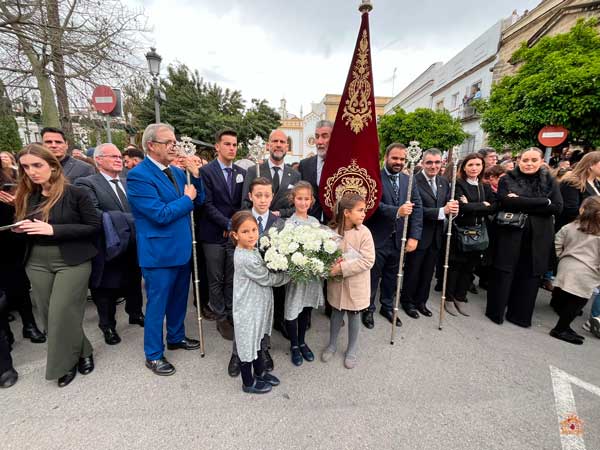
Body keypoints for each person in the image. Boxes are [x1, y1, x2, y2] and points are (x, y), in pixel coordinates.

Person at [12, 144, 100, 387]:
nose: (31, 172)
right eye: (26, 167)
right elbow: (23, 232)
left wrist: (54, 230)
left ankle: (63, 365)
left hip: (72, 261)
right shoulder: (27, 196)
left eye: (37, 165)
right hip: (36, 261)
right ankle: (84, 350)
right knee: (51, 315)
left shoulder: (76, 193)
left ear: (52, 165)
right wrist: (19, 229)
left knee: (61, 312)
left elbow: (94, 227)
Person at [127, 123, 205, 376]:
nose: (175, 146)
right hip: (158, 254)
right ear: (151, 145)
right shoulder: (139, 176)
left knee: (179, 300)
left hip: (181, 249)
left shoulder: (176, 171)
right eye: (169, 142)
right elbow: (160, 214)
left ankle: (176, 337)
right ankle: (153, 354)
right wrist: (187, 199)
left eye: (175, 141)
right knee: (157, 305)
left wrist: (196, 176)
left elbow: (198, 200)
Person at [75, 143, 145, 345]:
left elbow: (142, 206)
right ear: (98, 160)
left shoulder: (128, 181)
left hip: (132, 243)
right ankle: (107, 326)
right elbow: (94, 214)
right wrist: (134, 219)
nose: (118, 159)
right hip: (107, 246)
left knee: (134, 281)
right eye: (112, 156)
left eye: (119, 156)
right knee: (106, 289)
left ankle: (135, 313)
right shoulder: (86, 183)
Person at [486, 147, 563, 327]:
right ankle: (496, 311)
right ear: (519, 161)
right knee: (503, 271)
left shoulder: (550, 181)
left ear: (542, 161)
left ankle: (519, 315)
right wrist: (543, 202)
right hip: (510, 232)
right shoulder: (507, 179)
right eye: (525, 160)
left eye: (533, 160)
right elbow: (505, 202)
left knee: (529, 274)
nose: (529, 164)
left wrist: (520, 200)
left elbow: (557, 207)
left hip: (538, 236)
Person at [228, 177, 285, 377]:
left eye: (267, 195)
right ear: (250, 196)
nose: (262, 200)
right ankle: (238, 355)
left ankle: (262, 352)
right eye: (258, 195)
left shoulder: (278, 222)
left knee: (262, 322)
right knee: (245, 326)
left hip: (266, 284)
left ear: (272, 197)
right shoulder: (240, 219)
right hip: (246, 283)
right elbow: (231, 251)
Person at [365, 143, 422, 327]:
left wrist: (414, 236)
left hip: (400, 239)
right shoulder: (375, 178)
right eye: (395, 158)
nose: (398, 162)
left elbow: (417, 207)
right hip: (377, 237)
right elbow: (373, 205)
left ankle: (387, 307)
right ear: (386, 158)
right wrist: (397, 211)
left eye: (402, 159)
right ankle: (368, 309)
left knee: (392, 276)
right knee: (373, 276)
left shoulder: (409, 180)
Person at [198, 129, 246, 341]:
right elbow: (206, 204)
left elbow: (241, 203)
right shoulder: (206, 171)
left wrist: (235, 226)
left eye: (234, 145)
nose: (232, 148)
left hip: (233, 234)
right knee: (216, 277)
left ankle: (230, 311)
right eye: (227, 144)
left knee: (231, 276)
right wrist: (226, 223)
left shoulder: (240, 172)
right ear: (217, 146)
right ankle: (220, 317)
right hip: (213, 233)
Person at [403, 149, 459, 317]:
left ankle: (421, 301)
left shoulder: (444, 182)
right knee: (413, 271)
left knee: (428, 273)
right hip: (419, 234)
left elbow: (447, 206)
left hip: (436, 236)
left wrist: (453, 210)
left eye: (436, 162)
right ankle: (407, 302)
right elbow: (416, 210)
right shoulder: (413, 181)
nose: (433, 166)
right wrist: (442, 211)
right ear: (422, 163)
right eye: (429, 162)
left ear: (441, 163)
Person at [324, 193, 375, 369]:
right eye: (360, 210)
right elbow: (324, 255)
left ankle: (352, 349)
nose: (364, 214)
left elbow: (368, 260)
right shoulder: (331, 231)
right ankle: (332, 344)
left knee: (354, 316)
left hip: (356, 284)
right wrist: (329, 267)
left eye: (364, 210)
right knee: (336, 314)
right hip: (337, 284)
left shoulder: (364, 233)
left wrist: (342, 268)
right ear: (346, 212)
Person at [444, 153, 496, 316]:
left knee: (469, 267)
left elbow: (494, 206)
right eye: (470, 165)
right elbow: (461, 207)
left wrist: (473, 205)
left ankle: (460, 296)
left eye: (478, 165)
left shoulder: (485, 187)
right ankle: (449, 298)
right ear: (464, 167)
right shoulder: (457, 184)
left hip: (478, 232)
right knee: (455, 266)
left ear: (482, 167)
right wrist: (482, 205)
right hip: (460, 231)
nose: (474, 168)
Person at [0, 159, 45, 344]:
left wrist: (16, 203)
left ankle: (29, 325)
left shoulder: (9, 180)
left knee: (18, 285)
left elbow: (28, 213)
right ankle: (5, 333)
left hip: (9, 241)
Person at [550, 197, 600, 344]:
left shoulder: (571, 226)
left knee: (565, 297)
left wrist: (561, 258)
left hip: (566, 265)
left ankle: (565, 326)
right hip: (587, 272)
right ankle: (560, 328)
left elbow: (557, 242)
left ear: (582, 209)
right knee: (577, 303)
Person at [284, 181, 323, 366]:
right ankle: (293, 345)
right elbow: (285, 251)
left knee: (306, 309)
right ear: (293, 200)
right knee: (294, 310)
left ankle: (302, 341)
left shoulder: (315, 222)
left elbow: (321, 249)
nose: (303, 202)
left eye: (307, 199)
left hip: (311, 277)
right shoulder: (289, 224)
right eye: (299, 198)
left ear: (311, 200)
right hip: (297, 277)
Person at [241, 129, 300, 219]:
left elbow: (297, 206)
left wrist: (280, 213)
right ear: (268, 146)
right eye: (275, 141)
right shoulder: (254, 171)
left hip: (285, 227)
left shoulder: (295, 175)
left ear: (287, 147)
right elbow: (245, 204)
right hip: (259, 227)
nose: (278, 145)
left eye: (282, 142)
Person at [298, 120, 333, 223]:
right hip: (309, 226)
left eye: (324, 136)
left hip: (334, 225)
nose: (319, 141)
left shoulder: (342, 167)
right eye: (317, 136)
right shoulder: (305, 165)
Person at [557, 151, 600, 230]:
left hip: (593, 229)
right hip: (576, 231)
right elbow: (570, 211)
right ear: (590, 165)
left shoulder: (596, 183)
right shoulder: (571, 183)